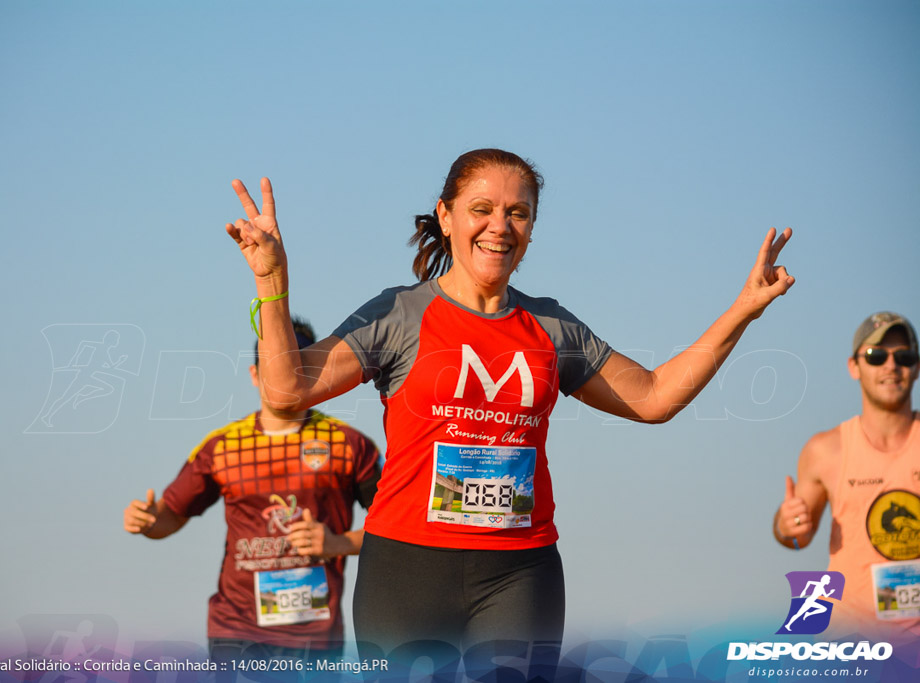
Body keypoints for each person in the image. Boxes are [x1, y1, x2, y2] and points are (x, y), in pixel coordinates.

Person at [226, 148, 794, 667]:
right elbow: (286, 389)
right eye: (481, 208)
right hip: (406, 569)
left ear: (531, 229)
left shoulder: (550, 326)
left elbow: (653, 397)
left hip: (521, 572)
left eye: (517, 213)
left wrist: (744, 309)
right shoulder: (398, 313)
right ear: (446, 217)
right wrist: (272, 277)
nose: (499, 226)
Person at [123, 317, 382, 664]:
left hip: (315, 638)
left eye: (296, 366)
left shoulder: (349, 445)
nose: (283, 378)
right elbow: (169, 518)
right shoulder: (223, 447)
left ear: (315, 373)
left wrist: (337, 544)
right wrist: (148, 521)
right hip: (236, 631)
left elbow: (396, 532)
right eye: (274, 367)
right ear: (255, 375)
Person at [774, 312, 920, 643]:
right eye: (876, 356)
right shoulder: (826, 450)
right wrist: (786, 527)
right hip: (852, 645)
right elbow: (797, 539)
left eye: (904, 356)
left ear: (917, 366)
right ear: (853, 366)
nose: (891, 366)